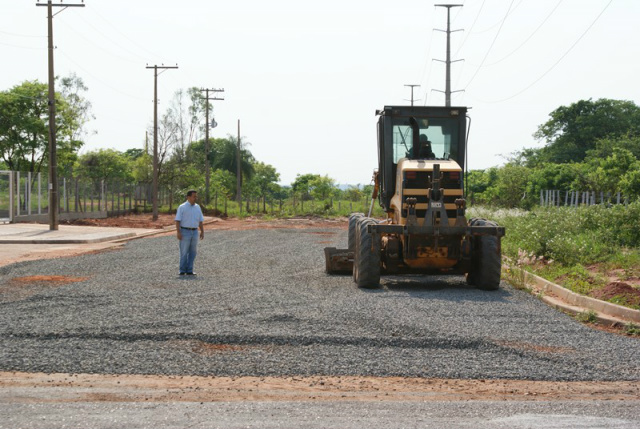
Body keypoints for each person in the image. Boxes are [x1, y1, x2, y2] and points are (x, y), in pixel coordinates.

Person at [175, 190, 205, 276]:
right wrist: (178, 232)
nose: (195, 198)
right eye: (194, 196)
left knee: (193, 252)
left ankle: (189, 270)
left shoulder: (197, 207)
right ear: (188, 197)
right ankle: (182, 270)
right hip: (185, 231)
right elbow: (177, 220)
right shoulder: (182, 207)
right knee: (184, 252)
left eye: (196, 196)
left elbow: (200, 220)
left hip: (194, 231)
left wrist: (202, 231)